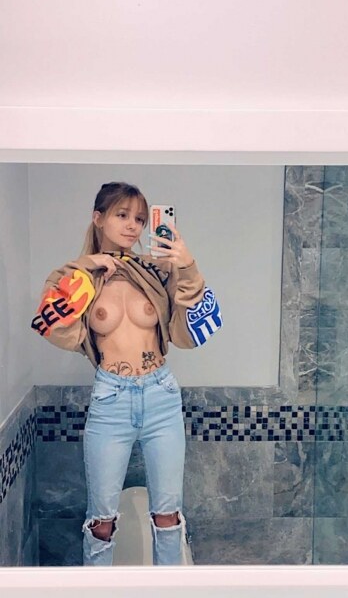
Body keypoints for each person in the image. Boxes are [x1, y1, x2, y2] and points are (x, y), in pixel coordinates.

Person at [31, 181, 223, 566]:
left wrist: (186, 264)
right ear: (98, 218)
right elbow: (51, 324)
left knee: (168, 517)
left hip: (160, 395)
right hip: (111, 399)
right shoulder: (82, 279)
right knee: (101, 522)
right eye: (122, 215)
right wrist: (86, 267)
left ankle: (168, 596)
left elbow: (190, 332)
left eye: (139, 218)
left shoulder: (155, 271)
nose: (133, 226)